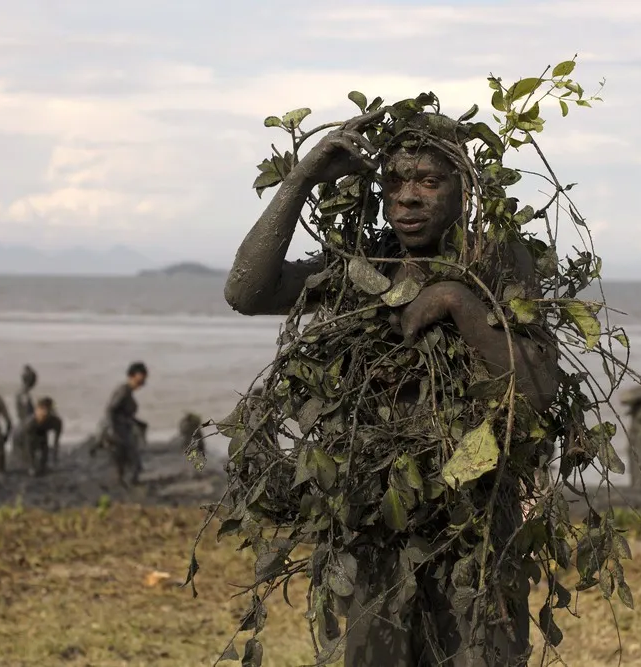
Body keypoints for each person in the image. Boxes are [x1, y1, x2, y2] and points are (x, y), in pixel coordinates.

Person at [224, 109, 560, 666]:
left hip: (472, 523)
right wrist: (302, 179)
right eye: (395, 182)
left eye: (430, 181)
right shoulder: (360, 264)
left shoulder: (493, 260)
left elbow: (537, 386)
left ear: (464, 190)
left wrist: (459, 302)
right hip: (372, 518)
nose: (408, 197)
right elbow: (247, 290)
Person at [101, 362, 149, 485]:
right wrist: (112, 430)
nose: (142, 382)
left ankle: (125, 484)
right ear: (132, 376)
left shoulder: (128, 392)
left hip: (123, 430)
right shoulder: (123, 391)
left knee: (129, 463)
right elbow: (111, 410)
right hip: (117, 431)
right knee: (131, 462)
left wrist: (139, 423)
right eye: (140, 378)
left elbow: (124, 414)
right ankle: (126, 487)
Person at [19, 397, 62, 476]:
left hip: (42, 432)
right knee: (27, 450)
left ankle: (42, 466)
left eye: (47, 410)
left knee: (44, 445)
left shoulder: (56, 421)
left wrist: (54, 458)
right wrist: (31, 465)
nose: (44, 413)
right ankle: (32, 466)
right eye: (42, 409)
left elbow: (56, 441)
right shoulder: (30, 423)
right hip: (21, 435)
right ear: (37, 410)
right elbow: (26, 445)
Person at [11, 365, 38, 467]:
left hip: (21, 424)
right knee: (27, 451)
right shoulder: (24, 394)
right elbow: (26, 411)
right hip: (25, 425)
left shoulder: (22, 393)